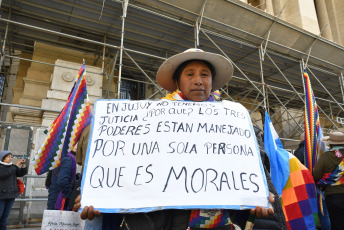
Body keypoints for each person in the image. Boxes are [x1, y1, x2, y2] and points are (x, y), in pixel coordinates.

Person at [74, 48, 286, 229]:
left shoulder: (235, 122)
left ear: (212, 82)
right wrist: (98, 198)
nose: (198, 81)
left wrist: (261, 198)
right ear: (177, 81)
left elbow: (256, 171)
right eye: (189, 74)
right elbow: (123, 169)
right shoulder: (150, 121)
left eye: (204, 74)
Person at [313, 131, 344, 230]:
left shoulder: (325, 156)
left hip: (333, 196)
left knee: (337, 224)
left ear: (330, 143)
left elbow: (316, 175)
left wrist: (325, 179)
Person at [0, 150, 27, 229]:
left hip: (11, 195)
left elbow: (20, 173)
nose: (10, 158)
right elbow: (4, 174)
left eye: (11, 157)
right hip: (1, 196)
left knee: (5, 216)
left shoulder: (12, 167)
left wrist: (23, 166)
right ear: (2, 158)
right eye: (8, 157)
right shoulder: (1, 167)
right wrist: (16, 165)